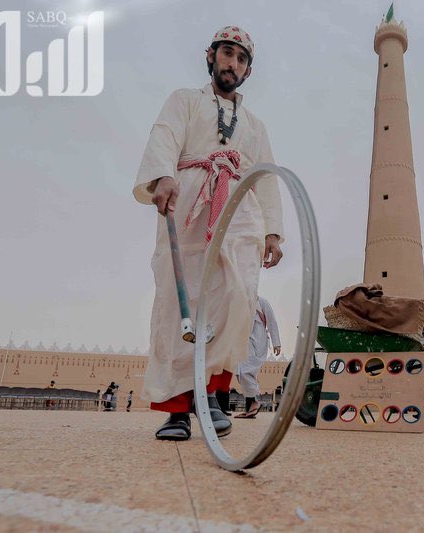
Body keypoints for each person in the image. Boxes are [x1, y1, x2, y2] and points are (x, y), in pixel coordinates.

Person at [133, 26, 283, 441]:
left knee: (237, 297)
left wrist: (273, 231)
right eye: (227, 53)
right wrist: (164, 175)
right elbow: (164, 137)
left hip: (239, 212)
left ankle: (212, 396)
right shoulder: (184, 100)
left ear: (248, 71)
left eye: (241, 58)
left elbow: (266, 177)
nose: (232, 63)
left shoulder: (255, 126)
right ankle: (177, 410)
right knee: (180, 302)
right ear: (211, 56)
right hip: (189, 206)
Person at [234, 295, 281, 419]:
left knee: (246, 371)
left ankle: (254, 402)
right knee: (240, 373)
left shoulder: (262, 302)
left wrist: (276, 343)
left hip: (257, 342)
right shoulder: (238, 300)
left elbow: (271, 321)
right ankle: (250, 407)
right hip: (242, 343)